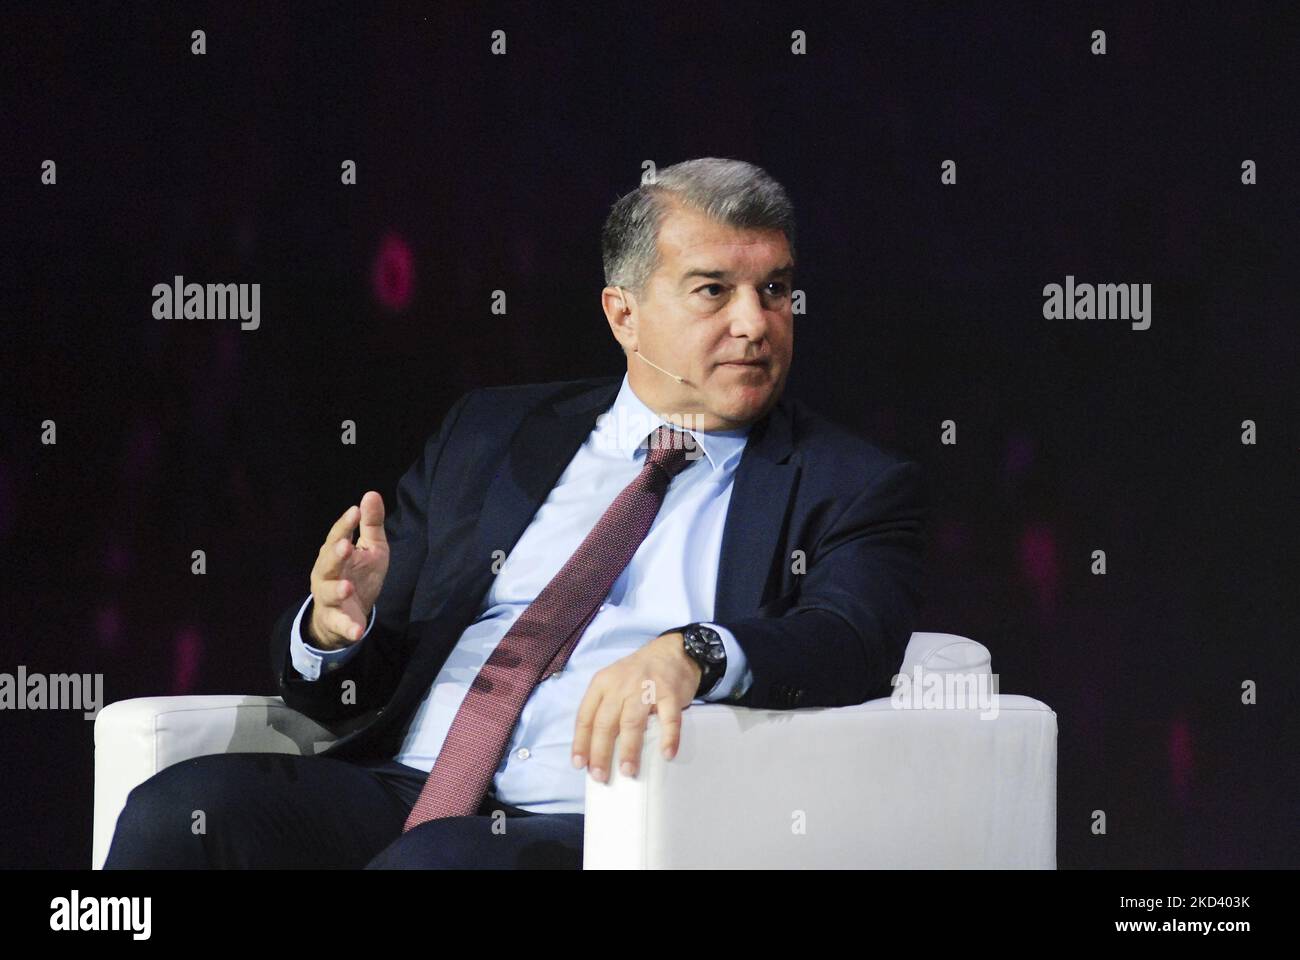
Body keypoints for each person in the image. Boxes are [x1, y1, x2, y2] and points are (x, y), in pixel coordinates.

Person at [105, 157, 928, 869]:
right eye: (713, 290)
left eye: (775, 290)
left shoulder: (849, 481)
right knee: (180, 813)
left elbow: (851, 638)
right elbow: (355, 690)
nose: (755, 324)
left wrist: (695, 652)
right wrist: (335, 632)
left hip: (605, 822)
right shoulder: (493, 434)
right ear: (624, 315)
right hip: (410, 786)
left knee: (439, 862)